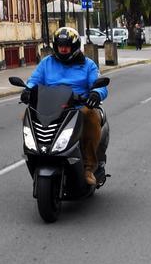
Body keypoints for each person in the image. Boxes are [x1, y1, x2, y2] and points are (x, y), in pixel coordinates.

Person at [20, 26, 108, 186]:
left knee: (90, 116)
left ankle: (88, 167)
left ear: (75, 47)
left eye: (67, 46)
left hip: (78, 108)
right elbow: (34, 80)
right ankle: (35, 154)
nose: (63, 49)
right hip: (51, 107)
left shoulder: (88, 65)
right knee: (27, 114)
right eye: (60, 46)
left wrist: (96, 93)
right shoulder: (47, 63)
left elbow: (99, 85)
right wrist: (27, 90)